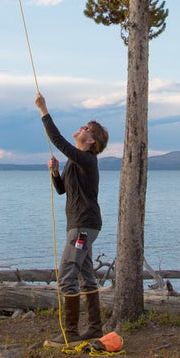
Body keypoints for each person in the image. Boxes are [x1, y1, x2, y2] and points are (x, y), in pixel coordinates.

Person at [35, 92, 110, 343]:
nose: (81, 128)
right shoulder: (74, 162)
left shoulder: (86, 159)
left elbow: (57, 139)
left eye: (87, 128)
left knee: (67, 273)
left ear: (91, 142)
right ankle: (95, 329)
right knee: (86, 275)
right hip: (83, 226)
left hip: (82, 227)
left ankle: (70, 333)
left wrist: (43, 110)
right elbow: (62, 190)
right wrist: (55, 173)